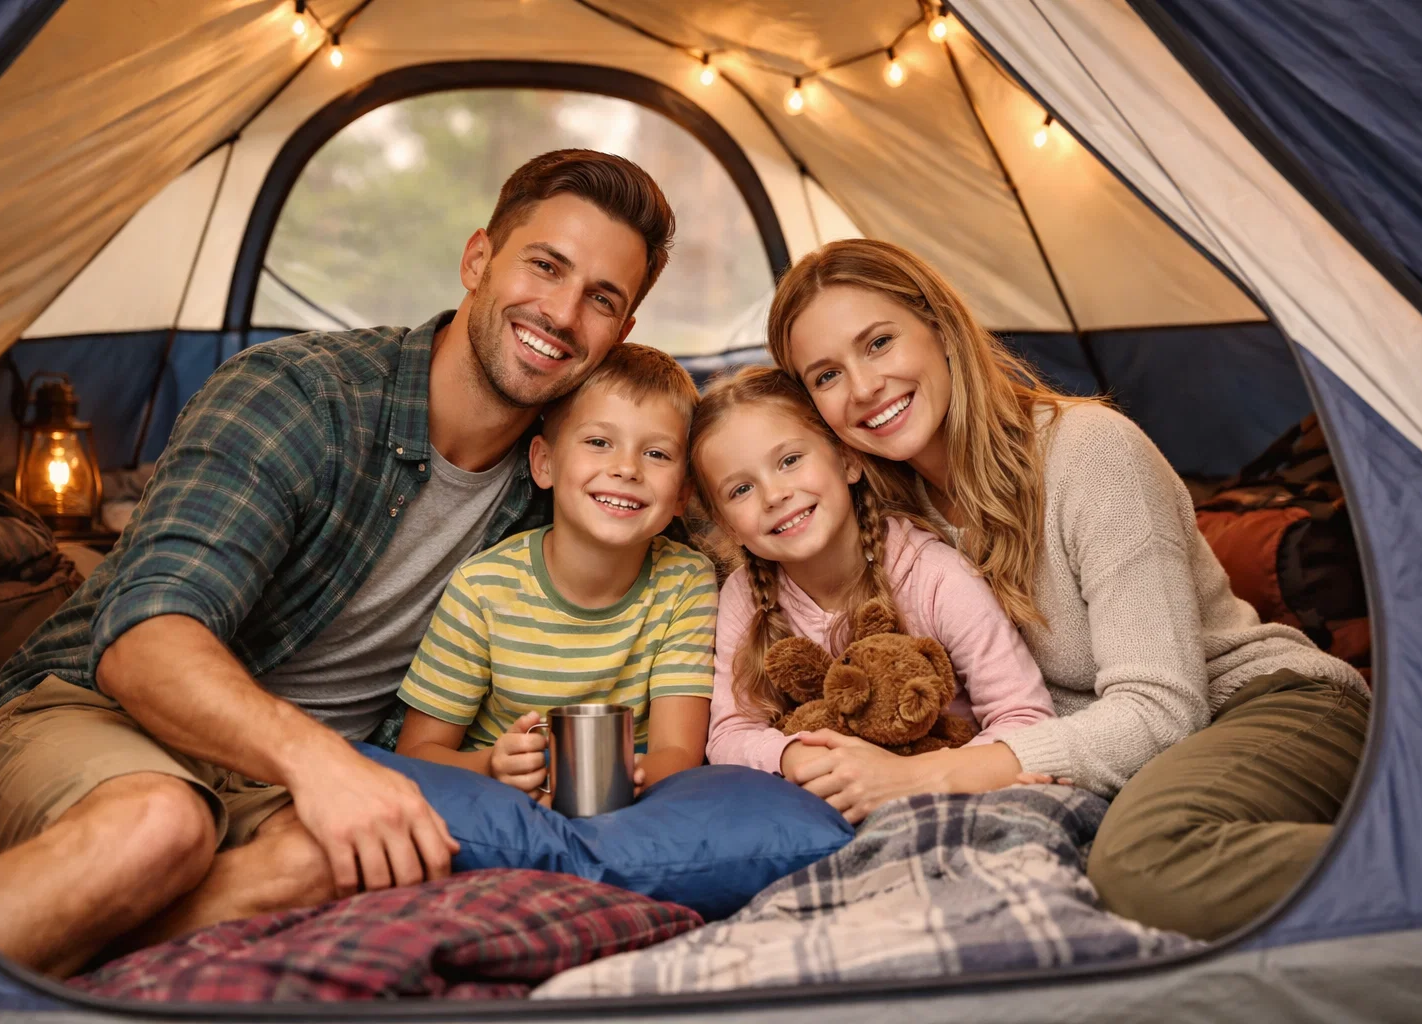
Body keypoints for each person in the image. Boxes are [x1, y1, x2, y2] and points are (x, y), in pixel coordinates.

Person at [0, 149, 676, 976]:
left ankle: (63, 953)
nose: (564, 313)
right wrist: (320, 762)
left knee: (349, 864)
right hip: (94, 714)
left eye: (602, 299)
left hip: (292, 789)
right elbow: (144, 639)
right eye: (546, 266)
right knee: (160, 826)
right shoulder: (298, 394)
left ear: (622, 334)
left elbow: (738, 511)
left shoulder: (569, 478)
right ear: (477, 259)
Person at [761, 237, 1370, 941]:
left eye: (879, 342)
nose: (863, 387)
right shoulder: (886, 518)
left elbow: (1164, 707)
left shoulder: (1089, 451)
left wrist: (934, 776)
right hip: (1115, 755)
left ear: (941, 329)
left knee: (1146, 865)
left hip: (1259, 704)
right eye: (826, 375)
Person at [690, 365, 1055, 814]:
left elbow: (1027, 718)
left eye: (789, 461)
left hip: (945, 798)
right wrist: (792, 756)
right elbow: (728, 734)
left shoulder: (932, 575)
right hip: (830, 808)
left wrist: (917, 778)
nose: (773, 495)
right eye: (742, 489)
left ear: (848, 460)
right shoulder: (746, 594)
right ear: (727, 525)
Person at [393, 344, 715, 795]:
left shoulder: (686, 581)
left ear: (683, 495)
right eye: (599, 442)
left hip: (630, 805)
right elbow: (417, 754)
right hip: (502, 806)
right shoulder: (483, 589)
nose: (626, 468)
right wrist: (490, 765)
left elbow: (677, 755)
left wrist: (612, 785)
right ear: (544, 463)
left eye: (657, 454)